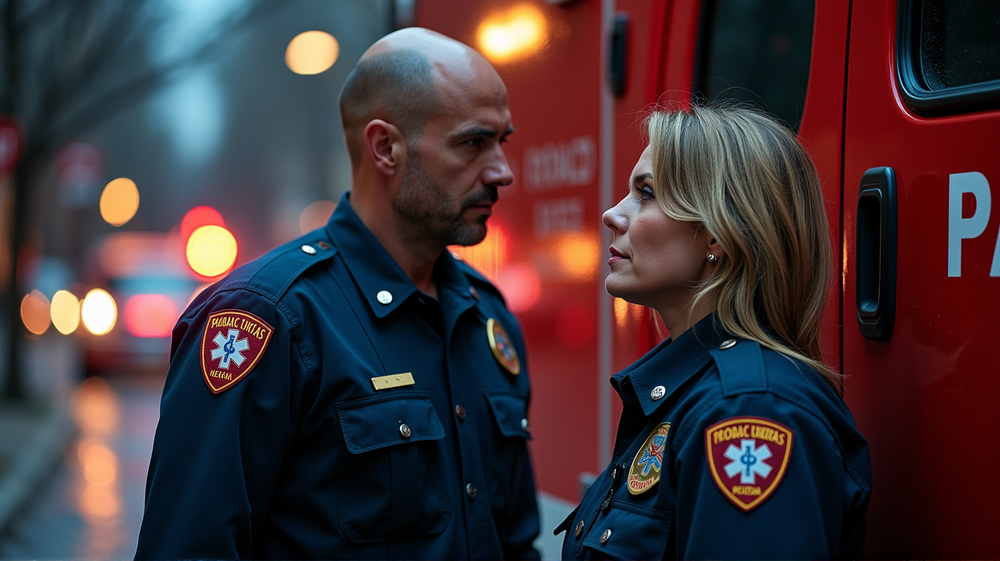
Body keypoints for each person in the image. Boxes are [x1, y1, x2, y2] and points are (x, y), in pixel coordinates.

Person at [135, 28, 540, 560]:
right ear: (385, 148)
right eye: (472, 143)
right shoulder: (267, 317)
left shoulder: (487, 318)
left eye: (501, 142)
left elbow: (514, 541)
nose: (502, 172)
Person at [556, 105, 871, 559]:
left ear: (717, 235)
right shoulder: (698, 394)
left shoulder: (751, 411)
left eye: (645, 193)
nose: (612, 214)